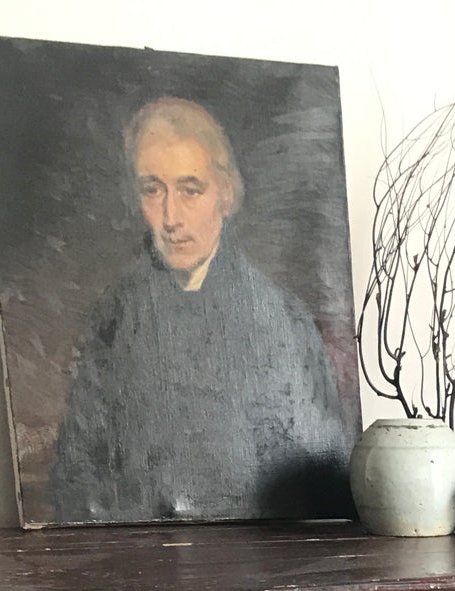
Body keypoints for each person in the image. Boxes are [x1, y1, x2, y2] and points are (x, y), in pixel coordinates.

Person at [46, 97, 354, 525]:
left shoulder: (282, 321)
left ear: (225, 194)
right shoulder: (113, 319)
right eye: (153, 190)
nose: (171, 216)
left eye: (191, 190)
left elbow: (321, 481)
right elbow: (74, 477)